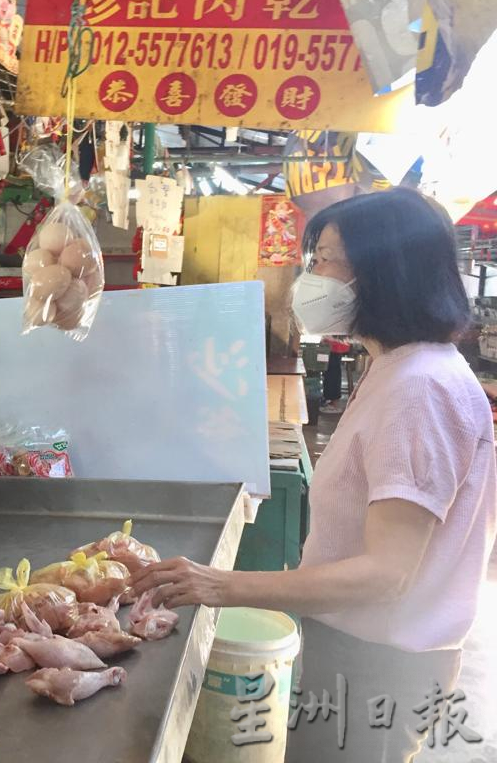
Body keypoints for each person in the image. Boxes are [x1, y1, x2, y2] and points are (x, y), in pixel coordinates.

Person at [132, 189, 496, 763]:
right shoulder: (399, 368)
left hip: (381, 664)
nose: (312, 276)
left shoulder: (420, 389)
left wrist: (225, 586)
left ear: (383, 271)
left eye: (325, 259)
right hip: (363, 648)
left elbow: (386, 573)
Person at [321, 337, 349, 414]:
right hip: (334, 347)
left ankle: (334, 402)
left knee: (332, 375)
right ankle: (331, 400)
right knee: (330, 374)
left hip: (335, 348)